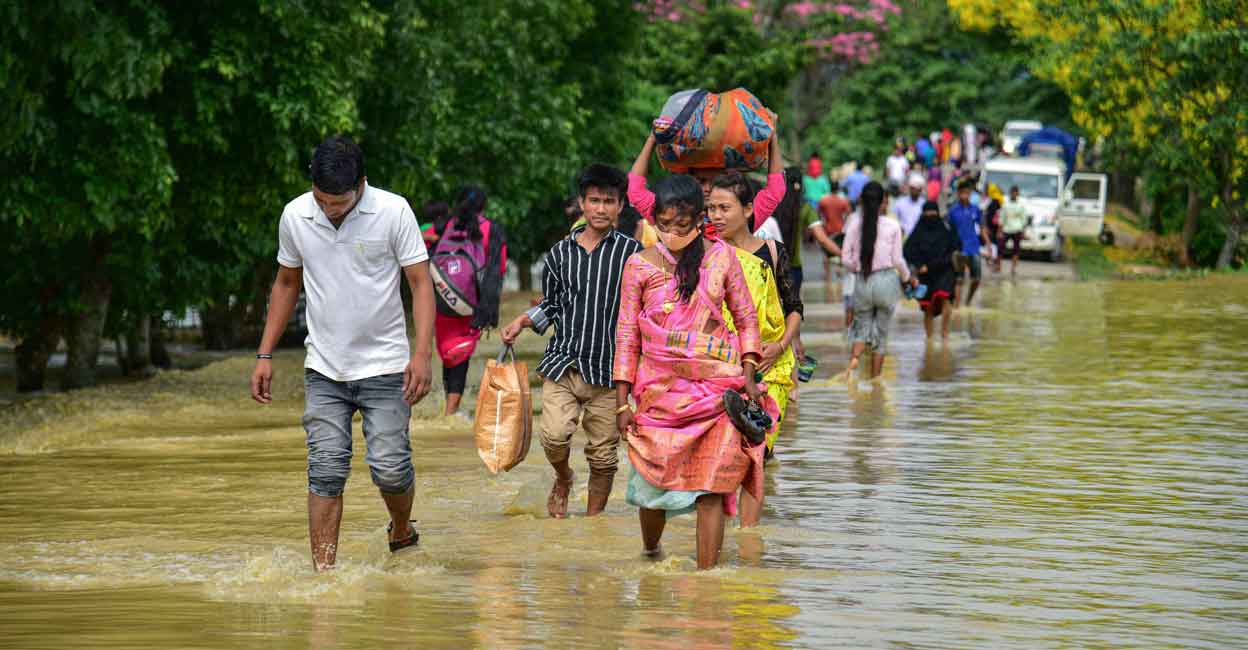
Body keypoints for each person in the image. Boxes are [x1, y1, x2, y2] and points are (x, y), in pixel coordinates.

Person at [250, 135, 434, 570]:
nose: (330, 210)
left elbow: (420, 283)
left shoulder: (393, 211)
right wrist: (264, 354)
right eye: (323, 201)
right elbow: (286, 283)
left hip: (386, 365)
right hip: (324, 368)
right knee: (326, 470)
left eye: (340, 203)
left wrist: (422, 354)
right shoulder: (296, 215)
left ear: (362, 184)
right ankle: (324, 574)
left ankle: (401, 528)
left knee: (389, 468)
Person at [614, 174, 771, 570]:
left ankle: (708, 580)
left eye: (681, 226)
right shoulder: (638, 267)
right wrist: (622, 402)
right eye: (663, 226)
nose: (672, 234)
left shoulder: (723, 258)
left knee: (712, 488)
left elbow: (746, 317)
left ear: (701, 220)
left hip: (717, 393)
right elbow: (627, 335)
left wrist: (750, 376)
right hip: (658, 395)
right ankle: (651, 552)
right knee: (652, 486)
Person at [500, 164, 643, 518]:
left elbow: (647, 310)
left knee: (605, 456)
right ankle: (563, 477)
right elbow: (551, 304)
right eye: (594, 200)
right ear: (581, 202)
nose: (600, 208)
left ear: (620, 205)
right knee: (553, 436)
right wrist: (523, 320)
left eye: (608, 201)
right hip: (564, 362)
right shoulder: (560, 254)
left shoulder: (634, 255)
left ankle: (593, 526)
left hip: (611, 372)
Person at [706, 171, 803, 527]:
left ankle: (748, 538)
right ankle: (720, 533)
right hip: (722, 367)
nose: (715, 215)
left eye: (724, 207)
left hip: (771, 369)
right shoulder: (705, 257)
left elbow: (794, 307)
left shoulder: (772, 252)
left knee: (757, 453)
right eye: (711, 208)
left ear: (748, 209)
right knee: (724, 454)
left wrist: (781, 345)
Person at [432, 186, 507, 418]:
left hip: (441, 299)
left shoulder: (442, 225)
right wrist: (488, 313)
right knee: (460, 353)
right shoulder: (491, 229)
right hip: (470, 302)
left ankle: (448, 405)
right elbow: (497, 272)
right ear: (483, 206)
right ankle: (451, 411)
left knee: (448, 353)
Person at [628, 124, 786, 231]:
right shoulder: (671, 214)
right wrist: (652, 139)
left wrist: (773, 139)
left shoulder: (741, 219)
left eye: (715, 182)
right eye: (701, 181)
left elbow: (776, 190)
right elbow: (634, 190)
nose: (707, 188)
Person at [841, 181, 916, 379]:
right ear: (884, 202)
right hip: (887, 281)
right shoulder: (893, 226)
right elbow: (898, 260)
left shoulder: (854, 224)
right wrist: (908, 278)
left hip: (862, 281)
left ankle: (851, 371)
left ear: (862, 202)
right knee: (881, 336)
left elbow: (845, 258)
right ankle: (875, 382)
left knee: (860, 330)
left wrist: (857, 269)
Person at [904, 200, 958, 339]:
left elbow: (953, 250)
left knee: (945, 297)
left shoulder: (946, 229)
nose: (930, 216)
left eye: (933, 213)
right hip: (925, 274)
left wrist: (933, 265)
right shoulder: (918, 231)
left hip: (945, 270)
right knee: (928, 306)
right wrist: (918, 265)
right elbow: (908, 251)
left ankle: (944, 335)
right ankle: (929, 339)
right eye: (927, 214)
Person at [948, 179, 990, 307]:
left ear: (970, 193)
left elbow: (982, 228)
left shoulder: (976, 210)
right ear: (958, 193)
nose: (964, 196)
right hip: (958, 248)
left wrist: (988, 244)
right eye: (962, 193)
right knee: (959, 279)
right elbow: (948, 230)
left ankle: (967, 302)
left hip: (973, 247)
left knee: (976, 279)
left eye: (967, 193)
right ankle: (956, 307)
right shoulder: (953, 211)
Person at [817, 180, 851, 287]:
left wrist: (823, 222)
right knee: (840, 251)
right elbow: (849, 214)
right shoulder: (843, 201)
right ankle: (840, 272)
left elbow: (818, 214)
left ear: (830, 188)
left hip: (827, 229)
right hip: (840, 230)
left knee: (827, 253)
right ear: (838, 189)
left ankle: (828, 277)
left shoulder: (823, 201)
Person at [1000, 185, 1028, 276]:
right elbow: (1002, 218)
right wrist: (999, 230)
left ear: (1018, 194)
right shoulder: (1006, 205)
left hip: (1017, 229)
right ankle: (998, 266)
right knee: (1001, 248)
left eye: (1016, 193)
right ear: (1010, 193)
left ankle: (1013, 268)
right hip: (1006, 229)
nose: (1014, 194)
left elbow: (1024, 219)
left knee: (1016, 250)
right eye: (1012, 192)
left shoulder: (1021, 205)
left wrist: (1023, 231)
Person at [892, 173, 926, 238]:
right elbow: (894, 218)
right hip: (901, 237)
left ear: (921, 190)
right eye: (913, 188)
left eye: (918, 189)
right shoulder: (900, 202)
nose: (915, 191)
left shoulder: (924, 204)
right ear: (910, 188)